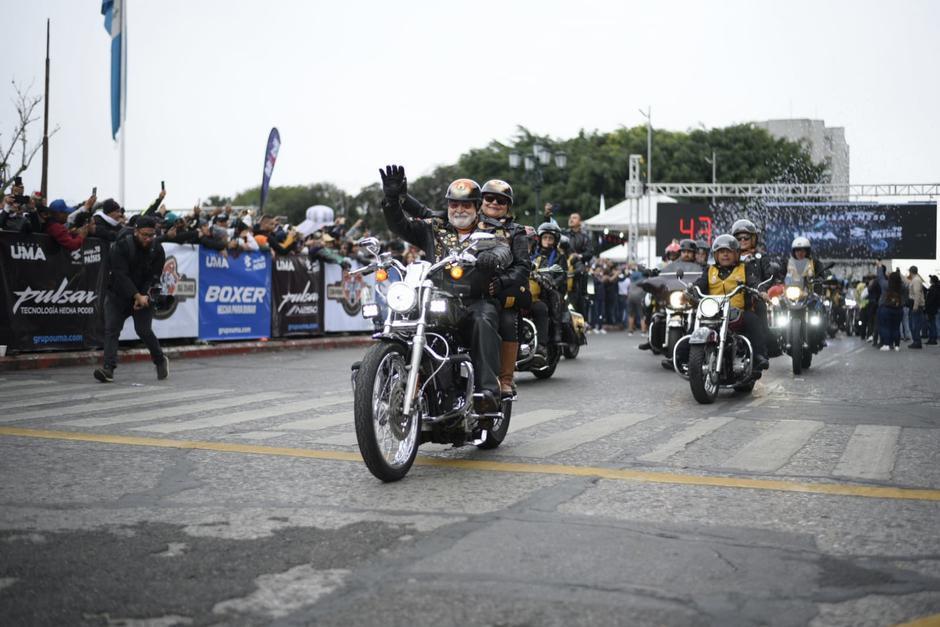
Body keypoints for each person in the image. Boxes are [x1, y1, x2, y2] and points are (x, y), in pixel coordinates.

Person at [380, 165, 510, 413]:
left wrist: (493, 257)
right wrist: (391, 200)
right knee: (401, 319)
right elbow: (400, 226)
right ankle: (386, 377)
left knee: (483, 320)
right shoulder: (434, 227)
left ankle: (487, 391)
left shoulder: (492, 230)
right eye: (454, 205)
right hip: (435, 298)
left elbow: (503, 249)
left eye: (466, 205)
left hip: (475, 300)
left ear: (476, 206)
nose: (459, 210)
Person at [94, 216, 169, 382]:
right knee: (112, 329)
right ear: (136, 231)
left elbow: (155, 277)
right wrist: (135, 295)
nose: (148, 239)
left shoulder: (157, 249)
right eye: (144, 235)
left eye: (152, 235)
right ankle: (108, 369)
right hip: (118, 294)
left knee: (143, 330)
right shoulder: (121, 246)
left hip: (144, 294)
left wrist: (144, 296)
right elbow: (120, 275)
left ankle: (160, 359)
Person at [479, 179, 531, 398]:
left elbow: (523, 267)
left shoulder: (516, 231)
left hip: (500, 290)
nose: (494, 203)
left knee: (507, 320)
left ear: (508, 206)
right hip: (464, 287)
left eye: (501, 200)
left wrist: (501, 282)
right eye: (489, 198)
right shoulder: (465, 222)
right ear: (480, 201)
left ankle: (506, 378)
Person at [692, 234, 770, 370]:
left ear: (736, 254)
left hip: (737, 312)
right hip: (713, 313)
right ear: (716, 255)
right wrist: (689, 291)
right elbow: (699, 285)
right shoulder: (710, 270)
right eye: (721, 252)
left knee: (753, 320)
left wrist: (761, 291)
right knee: (694, 321)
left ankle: (759, 356)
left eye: (729, 252)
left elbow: (754, 282)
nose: (725, 255)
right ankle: (684, 355)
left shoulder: (744, 268)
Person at [530, 221, 568, 352]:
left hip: (551, 285)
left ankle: (557, 330)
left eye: (550, 238)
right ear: (539, 239)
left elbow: (563, 274)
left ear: (555, 240)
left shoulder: (559, 256)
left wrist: (554, 284)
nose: (547, 240)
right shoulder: (533, 253)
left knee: (554, 297)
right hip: (533, 284)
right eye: (545, 237)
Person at [562, 211, 594, 317]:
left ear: (580, 222)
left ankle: (585, 298)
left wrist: (579, 256)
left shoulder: (585, 237)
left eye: (574, 218)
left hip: (578, 271)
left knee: (580, 297)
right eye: (570, 217)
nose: (571, 219)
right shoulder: (563, 235)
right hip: (564, 267)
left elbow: (590, 252)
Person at [876, 262, 903, 351]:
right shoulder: (901, 286)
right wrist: (899, 274)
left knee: (885, 327)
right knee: (896, 327)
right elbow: (906, 283)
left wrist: (879, 267)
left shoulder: (886, 285)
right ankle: (897, 345)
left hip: (886, 308)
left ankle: (886, 344)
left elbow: (880, 278)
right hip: (898, 309)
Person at [906, 266, 925, 349]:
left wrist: (915, 306)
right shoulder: (915, 280)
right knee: (913, 324)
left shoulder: (916, 280)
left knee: (915, 324)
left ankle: (917, 342)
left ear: (910, 272)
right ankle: (916, 341)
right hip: (915, 305)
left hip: (916, 306)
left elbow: (917, 294)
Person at [925, 275, 939, 345]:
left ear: (932, 281)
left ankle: (932, 339)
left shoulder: (932, 289)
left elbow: (930, 300)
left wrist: (926, 307)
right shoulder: (937, 288)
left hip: (930, 309)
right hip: (934, 308)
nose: (929, 280)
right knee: (933, 323)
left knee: (931, 324)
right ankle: (933, 337)